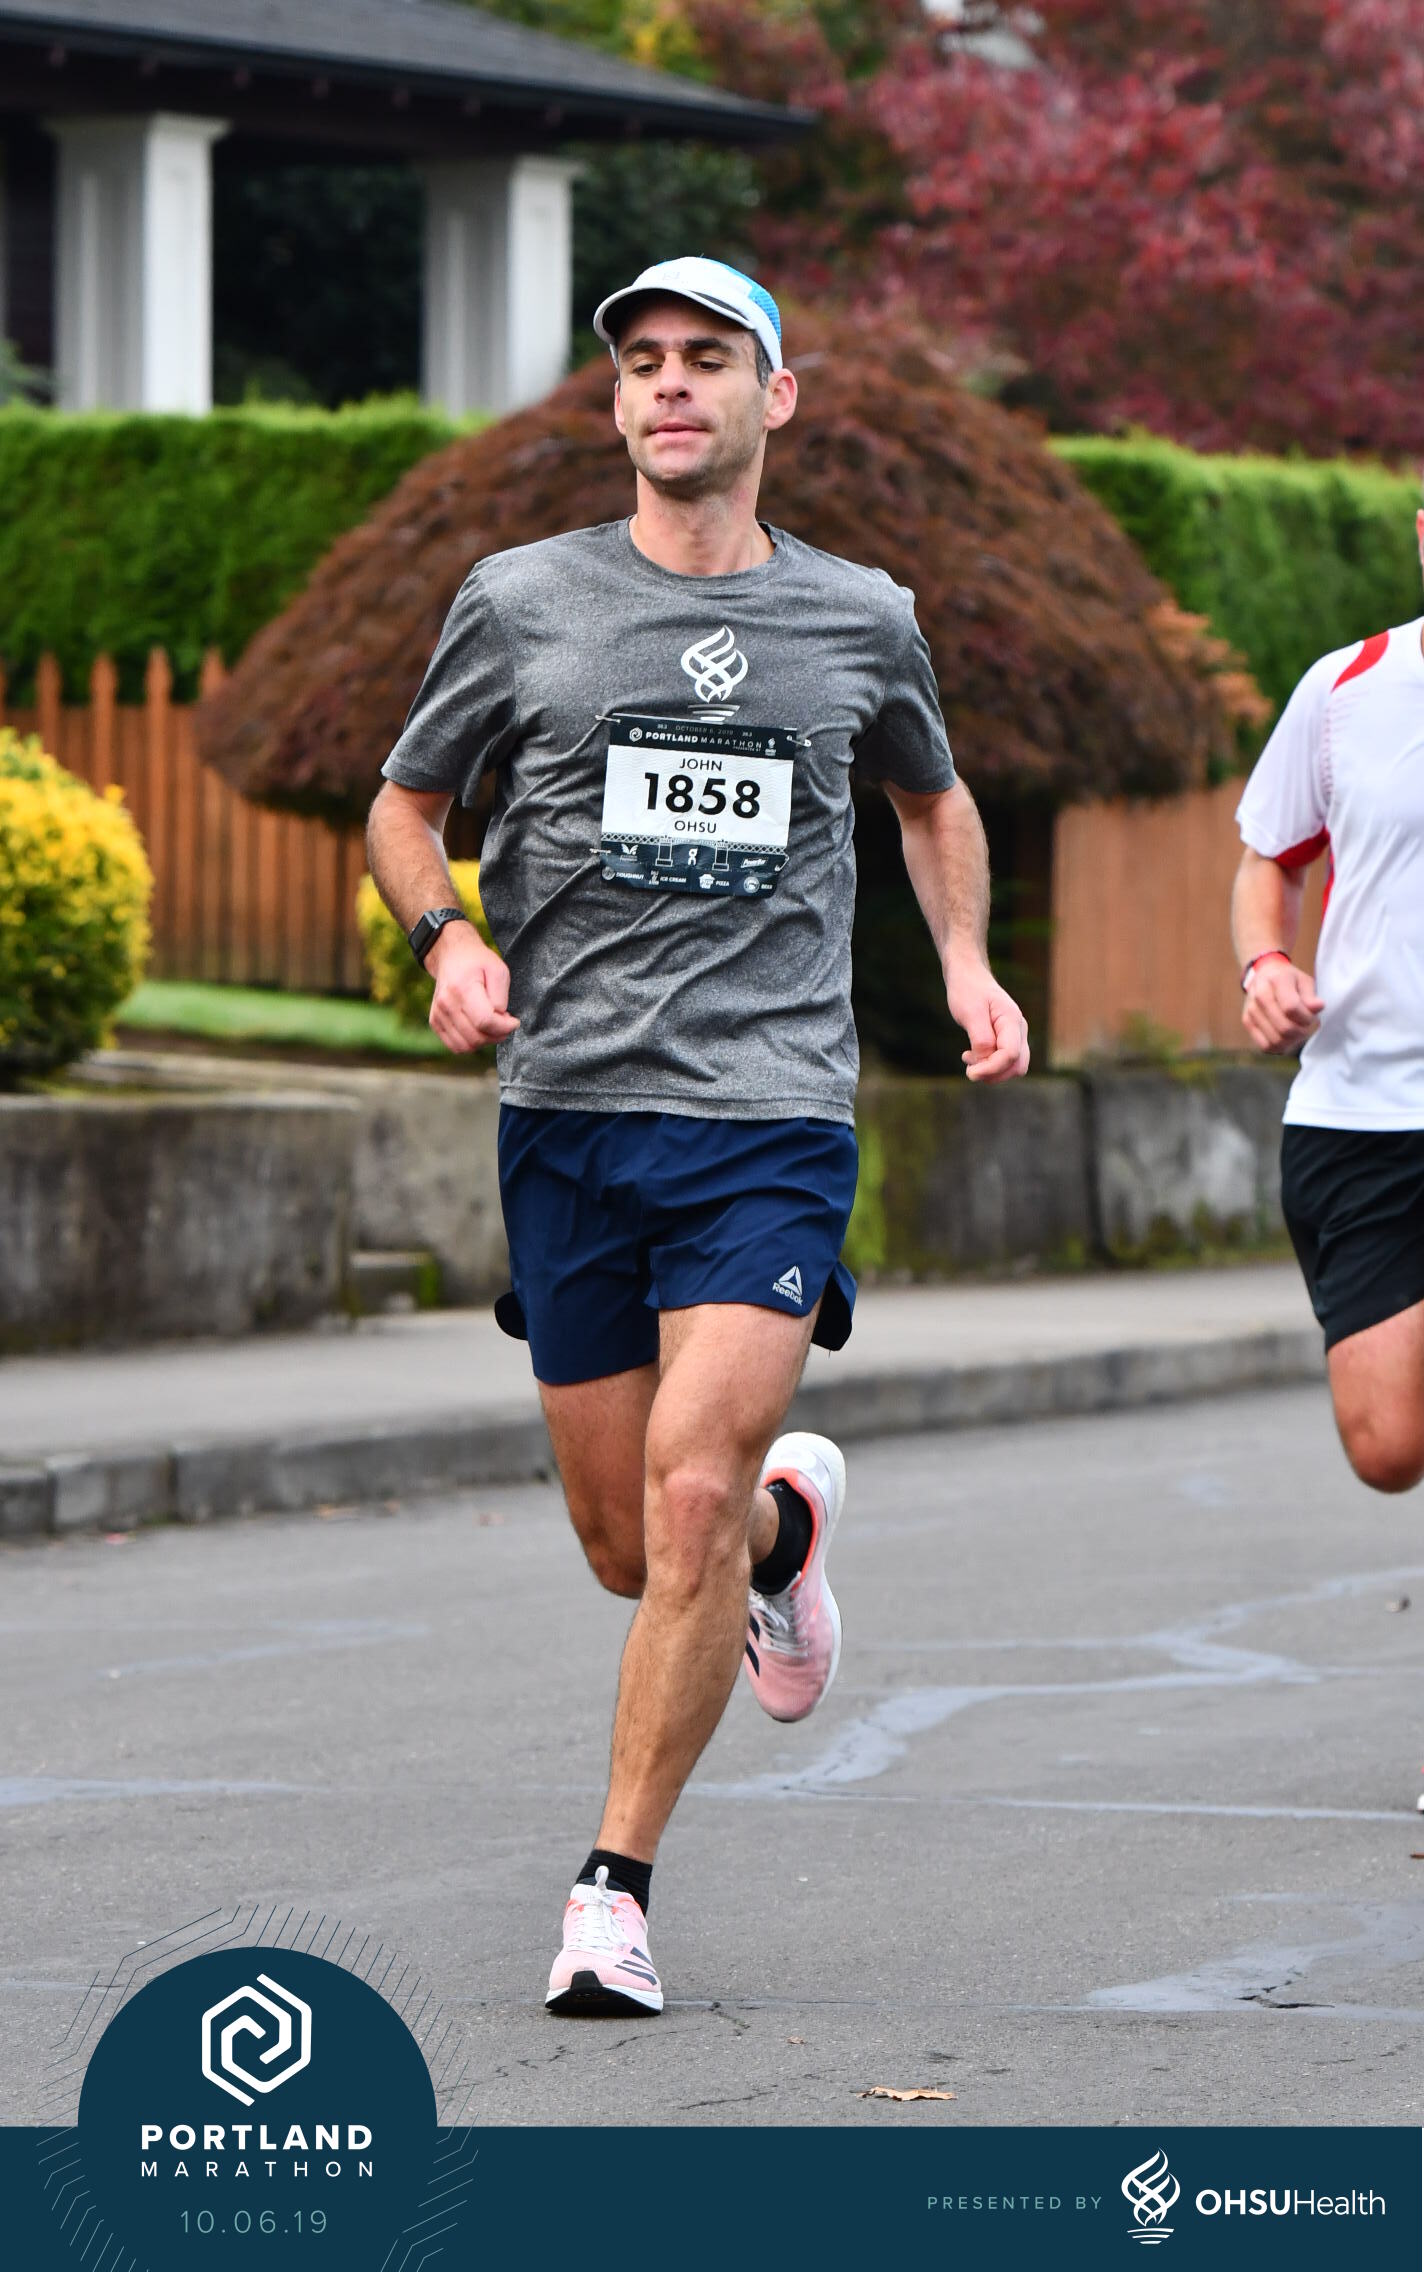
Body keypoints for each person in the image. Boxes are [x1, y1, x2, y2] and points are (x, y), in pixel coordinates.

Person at [366, 256, 1029, 2016]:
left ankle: (612, 1894)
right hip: (569, 1114)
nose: (671, 384)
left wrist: (966, 965)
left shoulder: (860, 617)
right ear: (618, 404)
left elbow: (929, 796)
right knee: (627, 1548)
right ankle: (784, 1544)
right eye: (643, 362)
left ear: (772, 397)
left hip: (769, 1116)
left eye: (708, 358)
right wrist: (447, 939)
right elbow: (405, 804)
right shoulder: (523, 600)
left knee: (683, 1497)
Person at [1232, 515, 1424, 1497]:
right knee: (1385, 1448)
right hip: (1362, 1110)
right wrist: (1265, 963)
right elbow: (1268, 859)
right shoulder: (1347, 686)